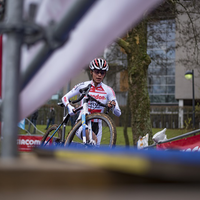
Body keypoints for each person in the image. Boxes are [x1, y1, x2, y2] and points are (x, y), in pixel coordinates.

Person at [62, 58, 121, 145]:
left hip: (98, 125)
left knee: (94, 152)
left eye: (102, 72)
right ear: (91, 72)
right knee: (93, 140)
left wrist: (113, 106)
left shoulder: (108, 90)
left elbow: (118, 113)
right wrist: (69, 106)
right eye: (97, 72)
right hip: (82, 122)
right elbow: (64, 97)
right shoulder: (83, 85)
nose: (99, 75)